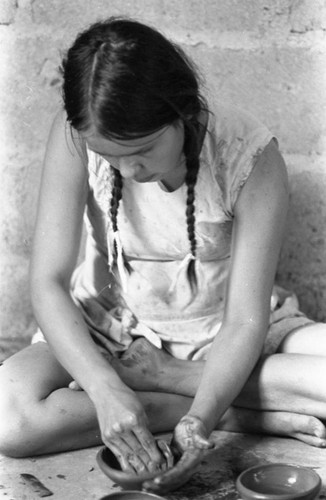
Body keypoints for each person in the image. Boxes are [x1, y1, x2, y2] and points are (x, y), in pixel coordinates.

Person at [1, 16, 326, 494]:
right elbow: (48, 282)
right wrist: (105, 390)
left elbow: (244, 323)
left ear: (183, 111)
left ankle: (176, 382)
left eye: (143, 151)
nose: (129, 171)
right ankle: (243, 412)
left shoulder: (250, 157)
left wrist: (201, 413)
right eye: (111, 158)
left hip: (222, 336)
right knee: (9, 417)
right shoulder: (73, 135)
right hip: (115, 332)